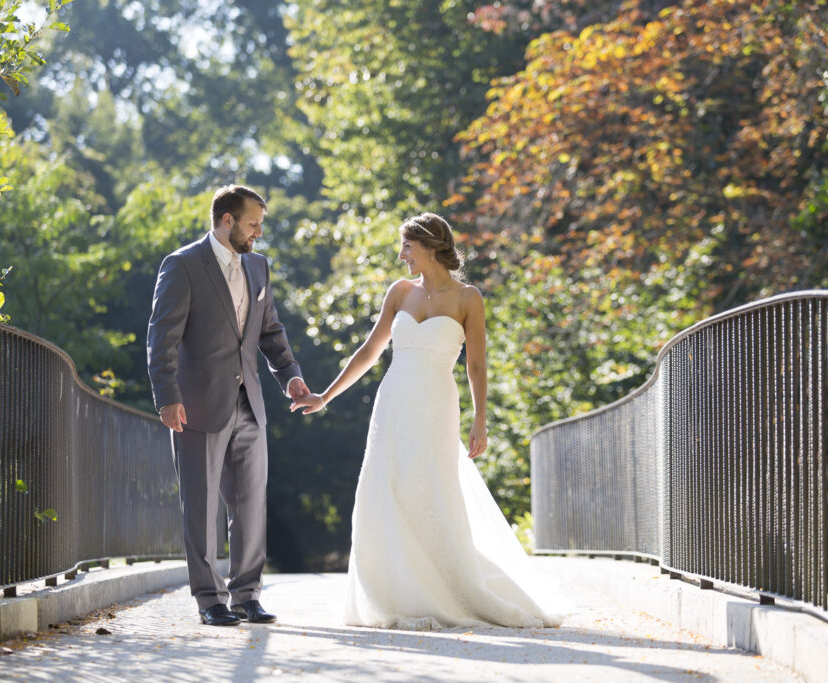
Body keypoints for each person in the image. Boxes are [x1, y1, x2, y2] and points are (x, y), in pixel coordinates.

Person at [290, 212, 562, 630]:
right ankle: (393, 591)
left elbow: (476, 364)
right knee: (385, 487)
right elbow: (369, 352)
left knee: (432, 490)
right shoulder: (399, 292)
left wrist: (480, 420)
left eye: (407, 247)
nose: (402, 256)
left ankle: (449, 588)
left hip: (436, 403)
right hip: (394, 400)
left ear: (431, 246)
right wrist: (326, 395)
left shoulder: (468, 298)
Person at [147, 184, 310, 627]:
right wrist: (167, 397)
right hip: (197, 403)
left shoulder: (259, 267)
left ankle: (246, 596)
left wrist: (290, 375)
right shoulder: (182, 265)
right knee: (201, 506)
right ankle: (209, 599)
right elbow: (162, 338)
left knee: (250, 503)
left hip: (250, 403)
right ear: (227, 220)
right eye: (254, 223)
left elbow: (271, 332)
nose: (259, 232)